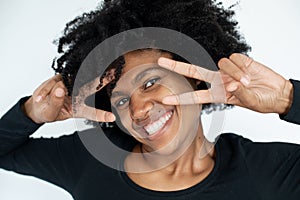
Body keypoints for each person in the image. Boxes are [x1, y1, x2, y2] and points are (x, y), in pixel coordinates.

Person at [0, 0, 299, 199]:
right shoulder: (88, 160)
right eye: (119, 101)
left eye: (150, 82)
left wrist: (287, 98)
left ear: (194, 76)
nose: (139, 110)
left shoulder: (266, 172)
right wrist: (31, 113)